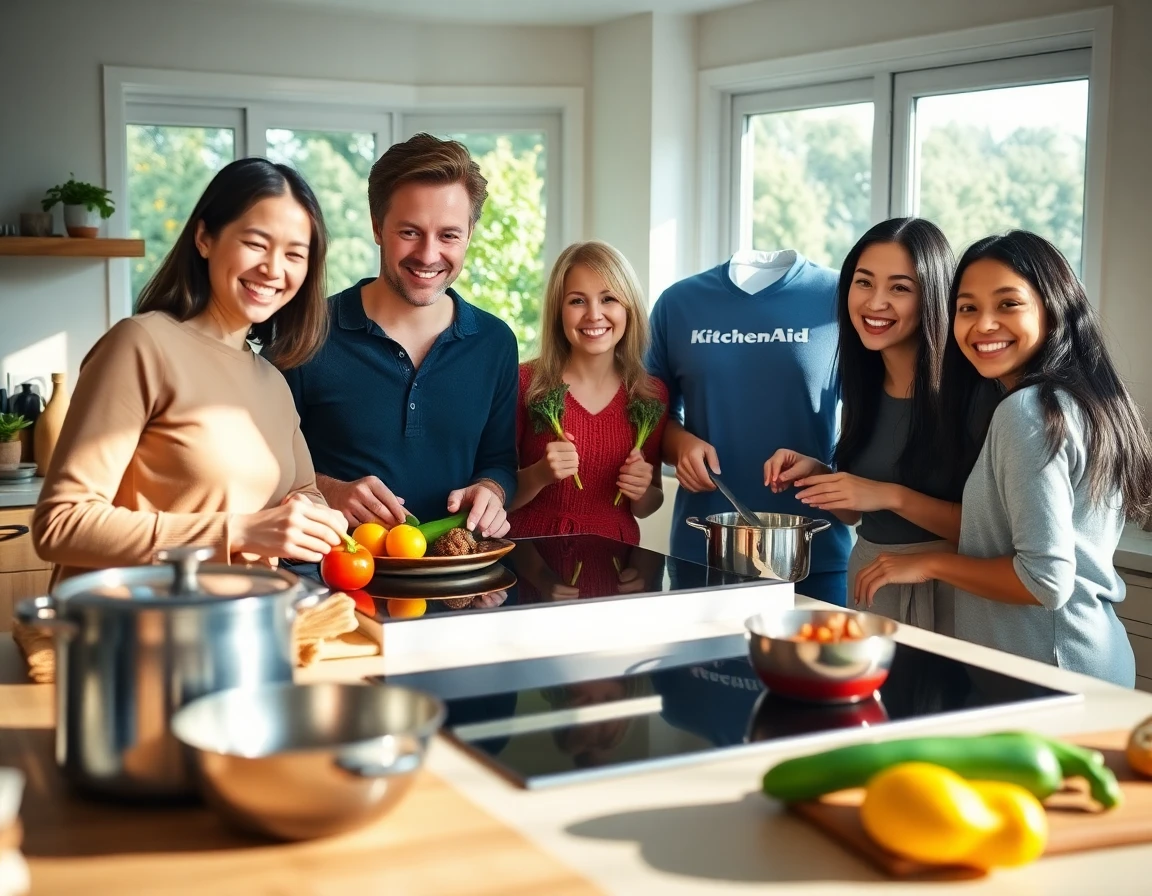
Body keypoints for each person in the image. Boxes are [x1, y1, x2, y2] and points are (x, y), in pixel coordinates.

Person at [856, 231, 1152, 686]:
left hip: (1050, 669)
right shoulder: (1078, 400)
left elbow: (1045, 581)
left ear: (1052, 309)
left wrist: (929, 563)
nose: (984, 325)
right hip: (1084, 659)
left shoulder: (1027, 412)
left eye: (1008, 304)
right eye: (968, 308)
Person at [33, 159, 348, 580]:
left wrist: (310, 516)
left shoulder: (272, 380)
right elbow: (60, 525)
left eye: (294, 253)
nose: (274, 269)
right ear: (204, 238)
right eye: (256, 243)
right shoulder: (141, 345)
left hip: (235, 626)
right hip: (133, 632)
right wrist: (237, 531)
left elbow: (304, 493)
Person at [282, 133, 517, 539]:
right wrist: (327, 491)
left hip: (457, 581)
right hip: (335, 578)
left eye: (448, 235)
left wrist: (491, 490)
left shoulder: (495, 343)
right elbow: (258, 465)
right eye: (410, 232)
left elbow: (498, 460)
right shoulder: (305, 331)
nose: (428, 255)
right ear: (377, 226)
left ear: (470, 234)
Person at [763, 218, 977, 628]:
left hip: (949, 593)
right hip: (870, 586)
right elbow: (854, 514)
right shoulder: (863, 385)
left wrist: (889, 495)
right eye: (863, 282)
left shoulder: (971, 394)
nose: (875, 302)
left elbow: (991, 531)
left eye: (899, 287)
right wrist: (822, 476)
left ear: (932, 296)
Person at [646, 248, 849, 605]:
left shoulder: (839, 297)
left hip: (814, 559)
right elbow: (648, 419)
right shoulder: (677, 304)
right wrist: (680, 446)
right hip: (702, 556)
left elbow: (873, 423)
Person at [507, 240, 668, 544]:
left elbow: (649, 504)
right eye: (577, 301)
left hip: (616, 563)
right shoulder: (525, 383)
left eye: (608, 299)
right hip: (532, 560)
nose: (594, 315)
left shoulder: (650, 394)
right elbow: (499, 496)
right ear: (559, 311)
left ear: (628, 307)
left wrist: (643, 490)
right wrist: (540, 474)